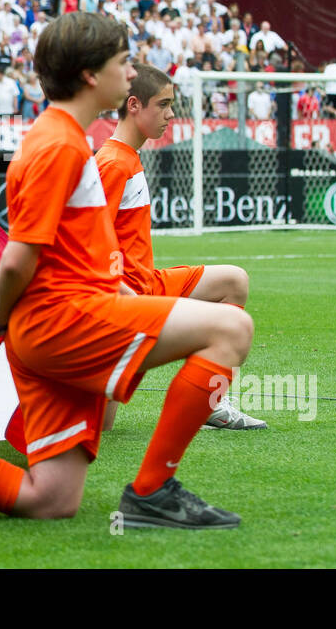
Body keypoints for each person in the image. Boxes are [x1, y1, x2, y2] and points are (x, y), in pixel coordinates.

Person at [0, 12, 254, 528]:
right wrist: (4, 314)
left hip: (55, 324)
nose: (131, 75)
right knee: (232, 327)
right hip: (66, 322)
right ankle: (152, 491)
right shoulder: (59, 145)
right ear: (89, 76)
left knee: (52, 499)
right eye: (122, 63)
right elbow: (17, 258)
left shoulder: (62, 138)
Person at [96, 64, 265, 432]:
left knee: (233, 282)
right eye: (164, 104)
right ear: (135, 105)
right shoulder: (111, 163)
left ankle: (210, 402)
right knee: (98, 428)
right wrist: (119, 295)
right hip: (127, 301)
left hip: (148, 283)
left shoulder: (127, 155)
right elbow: (88, 243)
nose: (171, 115)